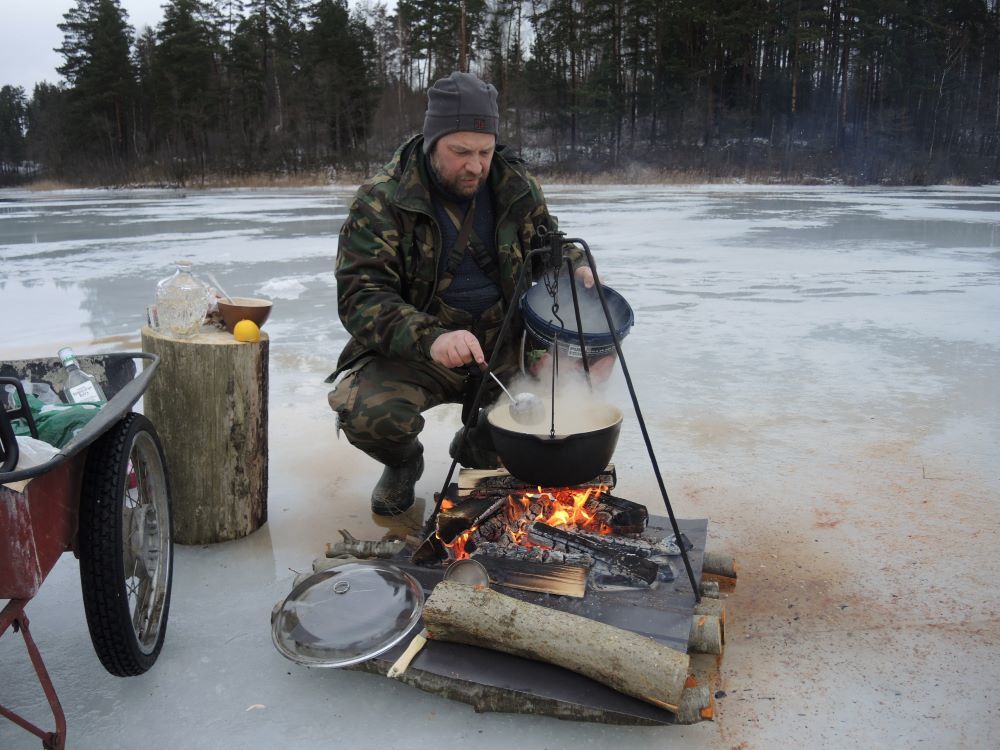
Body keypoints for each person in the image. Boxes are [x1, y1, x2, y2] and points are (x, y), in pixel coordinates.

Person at [327, 71, 594, 516]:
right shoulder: (382, 200)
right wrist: (432, 338)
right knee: (370, 414)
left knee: (549, 408)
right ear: (433, 141)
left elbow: (546, 245)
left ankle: (477, 447)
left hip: (500, 343)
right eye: (460, 152)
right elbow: (362, 296)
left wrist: (575, 264)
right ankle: (404, 463)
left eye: (485, 152)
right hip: (418, 348)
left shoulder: (515, 186)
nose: (475, 166)